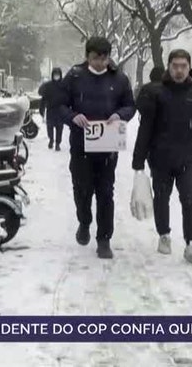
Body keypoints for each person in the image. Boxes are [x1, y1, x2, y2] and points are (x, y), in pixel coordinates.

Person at [57, 36, 136, 259]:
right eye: (95, 58)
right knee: (82, 189)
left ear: (109, 57)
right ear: (87, 57)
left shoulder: (119, 79)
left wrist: (119, 115)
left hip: (107, 146)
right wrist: (72, 116)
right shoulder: (74, 76)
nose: (100, 63)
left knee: (105, 192)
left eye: (104, 58)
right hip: (80, 145)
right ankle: (84, 221)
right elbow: (59, 105)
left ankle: (104, 239)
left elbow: (130, 106)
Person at [132, 49, 192, 266]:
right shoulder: (157, 92)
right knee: (161, 197)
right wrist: (138, 160)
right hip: (161, 157)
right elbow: (146, 127)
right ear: (168, 66)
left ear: (189, 67)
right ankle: (164, 234)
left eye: (183, 66)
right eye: (175, 66)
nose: (179, 70)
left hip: (187, 157)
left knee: (190, 199)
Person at [38, 67, 65, 151]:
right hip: (51, 109)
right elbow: (43, 98)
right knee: (50, 127)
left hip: (60, 110)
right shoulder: (48, 86)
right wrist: (41, 109)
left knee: (59, 128)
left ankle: (57, 143)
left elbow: (68, 97)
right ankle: (51, 139)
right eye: (55, 74)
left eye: (58, 74)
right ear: (52, 75)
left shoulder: (64, 85)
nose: (56, 76)